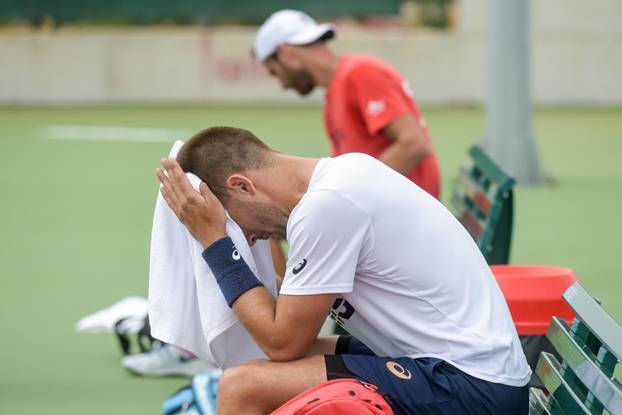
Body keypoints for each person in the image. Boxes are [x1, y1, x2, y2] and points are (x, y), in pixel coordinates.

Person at [155, 126, 530, 415]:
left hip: (473, 386)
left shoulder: (328, 207)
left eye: (239, 228)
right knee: (256, 364)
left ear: (242, 185)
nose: (249, 238)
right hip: (454, 368)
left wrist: (217, 245)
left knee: (242, 386)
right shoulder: (339, 179)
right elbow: (287, 310)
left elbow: (283, 341)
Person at [253, 10, 441, 199]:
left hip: (404, 215)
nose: (283, 85)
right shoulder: (337, 89)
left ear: (285, 53)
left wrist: (349, 192)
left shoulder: (359, 72)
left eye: (274, 73)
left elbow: (414, 144)